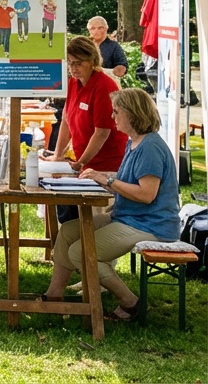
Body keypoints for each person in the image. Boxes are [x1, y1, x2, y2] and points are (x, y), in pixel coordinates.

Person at [40, 88, 181, 320]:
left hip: (151, 225)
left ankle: (130, 302)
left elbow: (147, 194)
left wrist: (107, 179)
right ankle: (55, 295)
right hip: (129, 218)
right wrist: (98, 175)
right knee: (67, 231)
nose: (113, 117)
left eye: (117, 112)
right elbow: (126, 180)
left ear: (133, 114)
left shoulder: (150, 147)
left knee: (81, 252)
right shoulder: (135, 142)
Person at [45, 35, 127, 223]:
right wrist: (58, 155)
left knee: (90, 222)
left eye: (78, 64)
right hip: (84, 165)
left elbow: (102, 132)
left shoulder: (104, 86)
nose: (73, 69)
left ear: (92, 61)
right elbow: (66, 118)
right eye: (70, 63)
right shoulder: (74, 83)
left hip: (106, 166)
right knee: (65, 212)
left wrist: (81, 163)